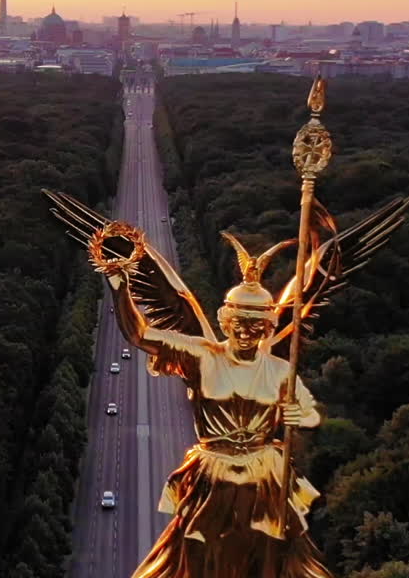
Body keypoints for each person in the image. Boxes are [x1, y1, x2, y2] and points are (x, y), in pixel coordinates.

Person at [104, 237, 333, 578]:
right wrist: (120, 286)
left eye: (256, 325)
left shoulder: (280, 369)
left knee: (270, 557)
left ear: (268, 327)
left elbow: (311, 413)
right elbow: (139, 335)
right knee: (197, 556)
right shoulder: (201, 355)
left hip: (264, 476)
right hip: (213, 475)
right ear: (226, 321)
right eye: (238, 322)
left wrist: (300, 416)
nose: (246, 331)